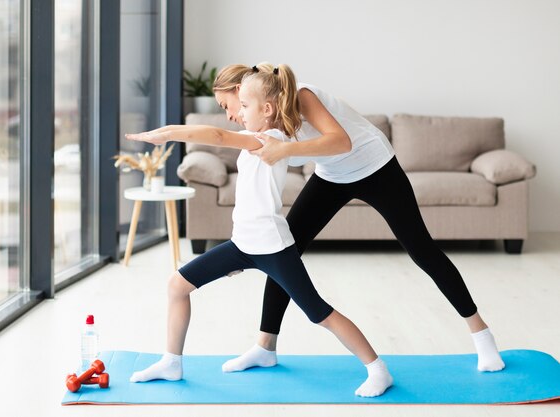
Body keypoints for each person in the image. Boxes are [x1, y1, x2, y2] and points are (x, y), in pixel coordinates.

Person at [212, 63, 505, 374]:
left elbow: (341, 141)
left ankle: (482, 336)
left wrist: (285, 151)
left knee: (421, 249)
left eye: (226, 105)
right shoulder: (260, 119)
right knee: (284, 249)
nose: (230, 115)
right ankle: (264, 347)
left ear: (239, 91)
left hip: (375, 167)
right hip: (333, 175)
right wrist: (246, 249)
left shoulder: (300, 96)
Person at [125, 64, 394, 398]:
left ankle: (377, 369)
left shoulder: (270, 140)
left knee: (319, 314)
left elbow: (218, 136)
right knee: (177, 285)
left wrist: (167, 133)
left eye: (245, 106)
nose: (237, 112)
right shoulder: (258, 138)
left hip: (272, 248)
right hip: (242, 246)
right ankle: (171, 362)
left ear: (266, 110)